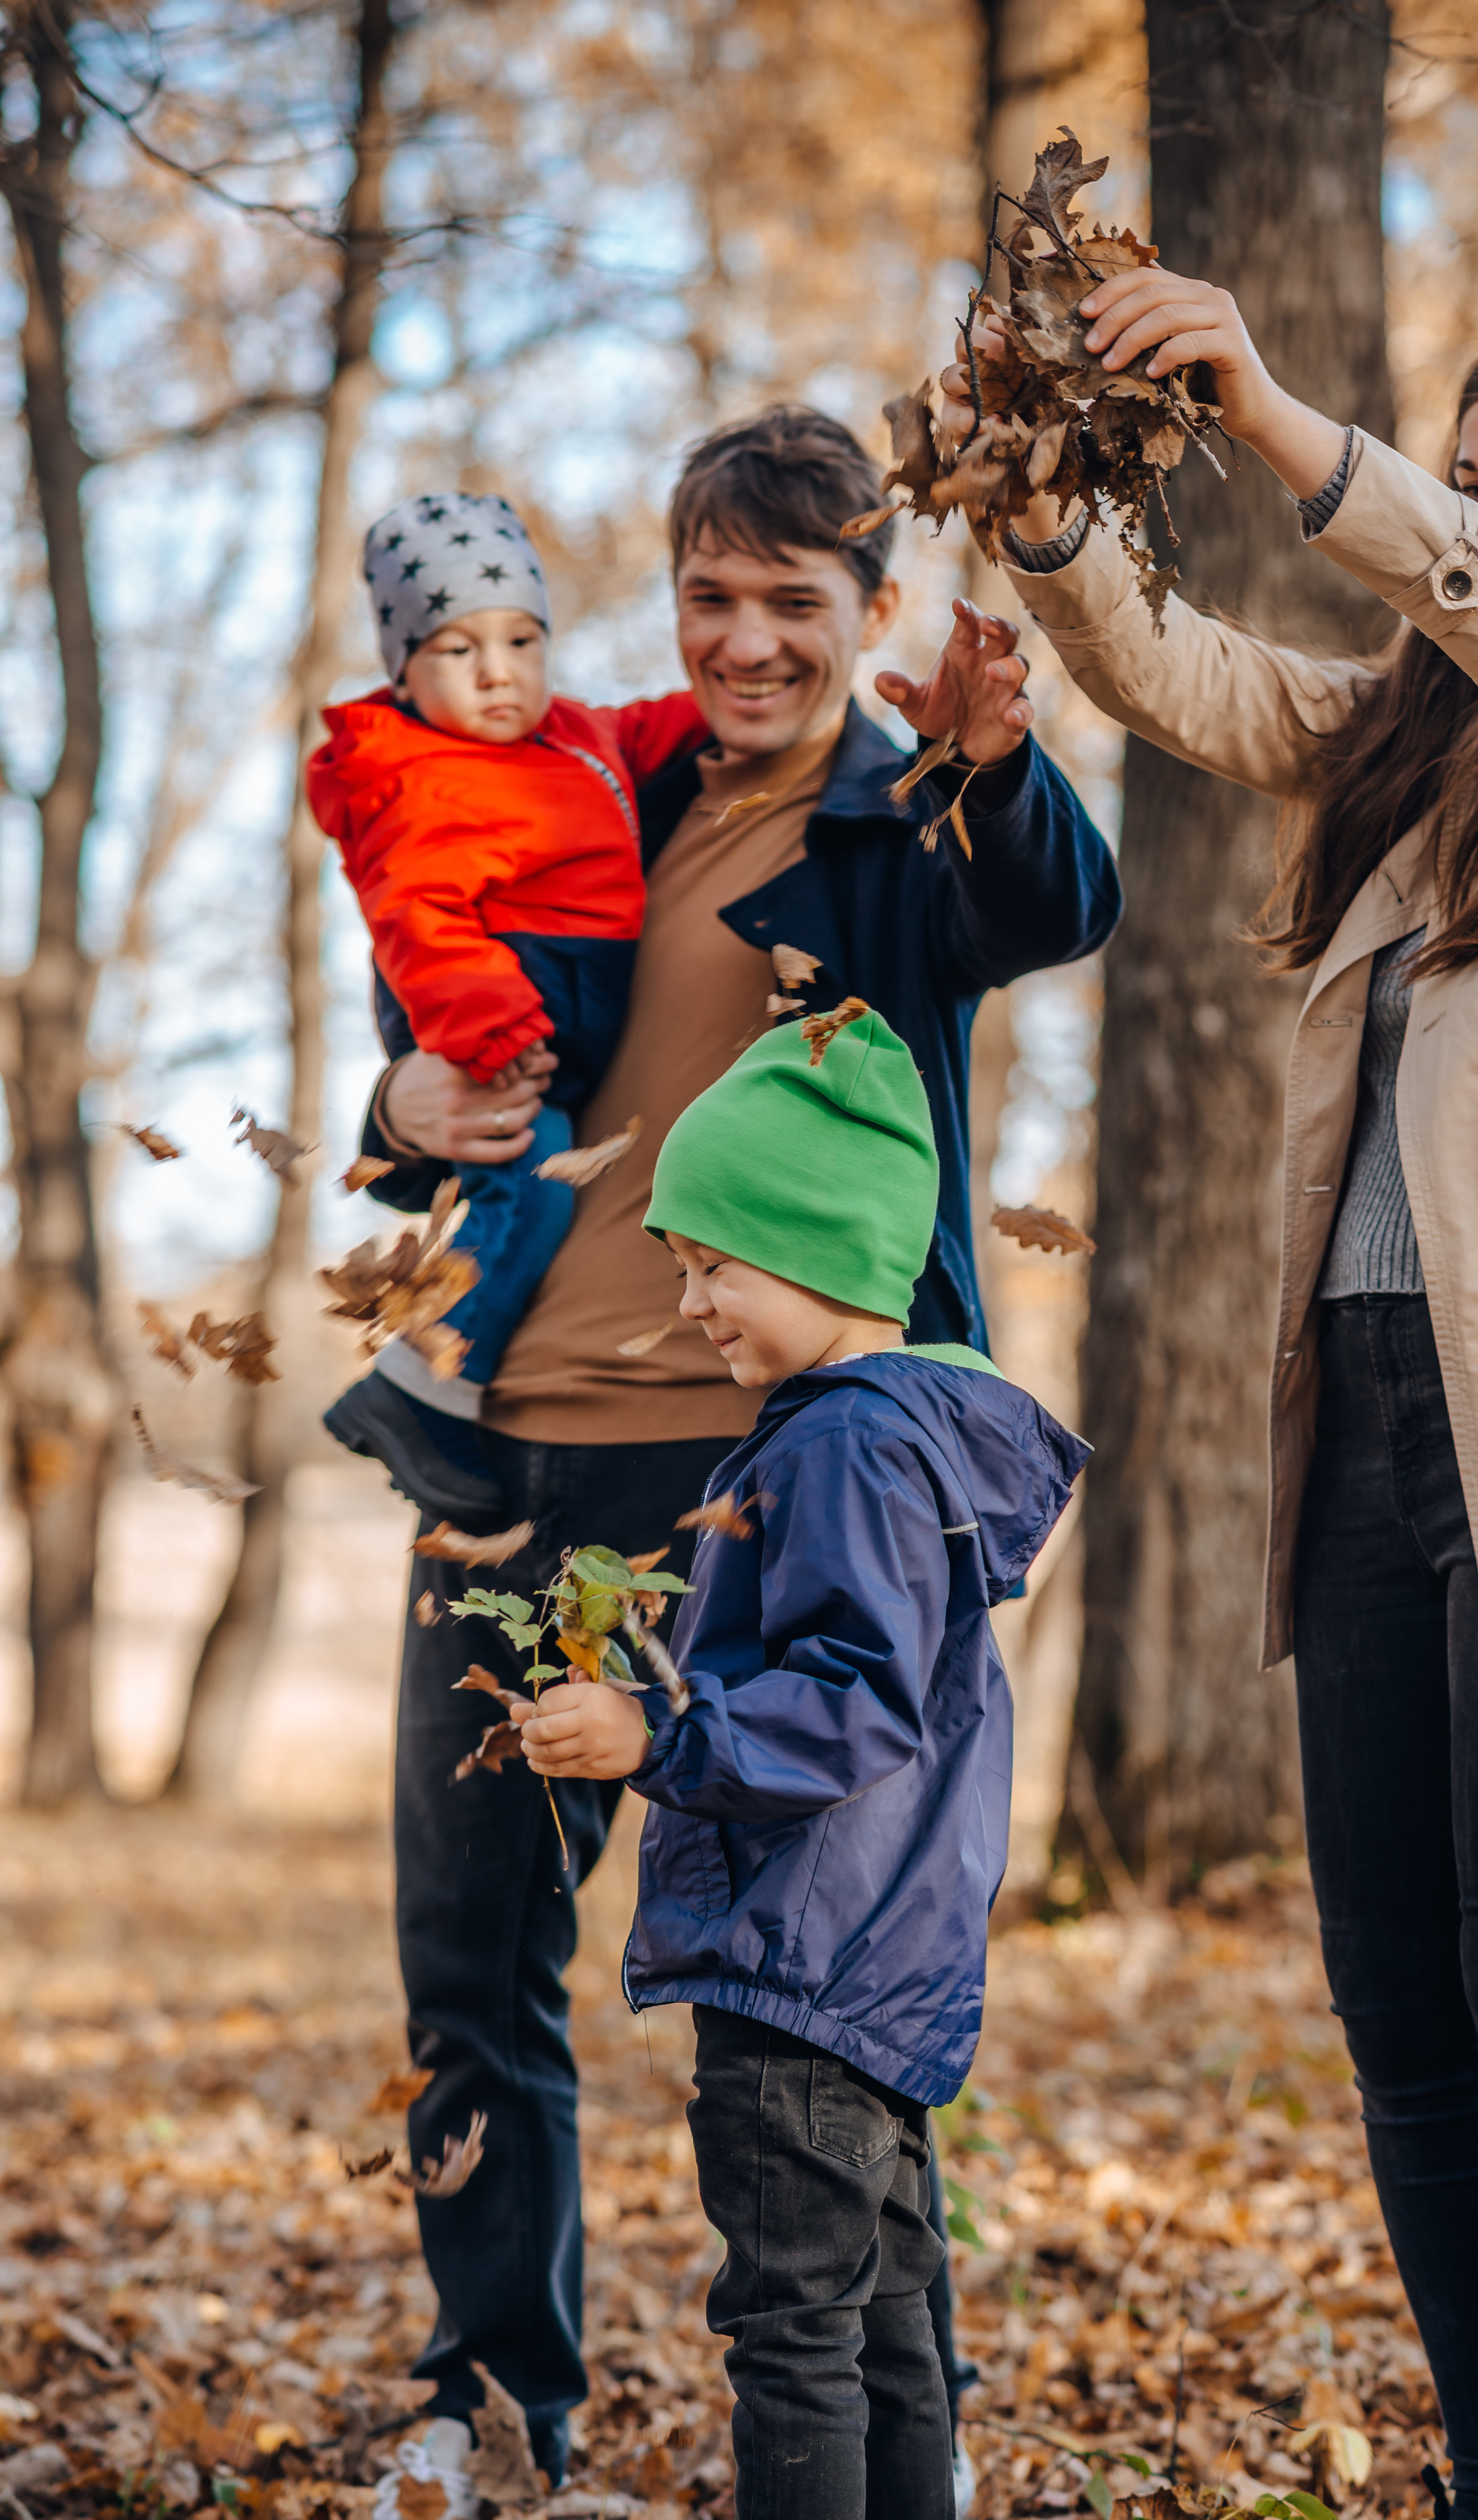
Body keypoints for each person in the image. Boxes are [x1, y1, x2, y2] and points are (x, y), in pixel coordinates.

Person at [958, 277, 1478, 2517]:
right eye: (1473, 486)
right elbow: (1207, 682)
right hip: (1368, 1418)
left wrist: (1296, 433)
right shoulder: (1431, 736)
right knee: (1402, 2014)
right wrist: (1051, 510)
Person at [351, 406, 1122, 2486]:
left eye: (800, 600)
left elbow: (1060, 902)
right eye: (715, 594)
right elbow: (462, 1007)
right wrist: (402, 1110)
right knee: (475, 1957)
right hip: (516, 1455)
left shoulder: (907, 820)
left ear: (869, 611)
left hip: (781, 1485)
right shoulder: (606, 777)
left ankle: (906, 2426)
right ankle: (494, 2395)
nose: (750, 639)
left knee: (818, 1996)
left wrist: (988, 754)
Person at [517, 1006, 1090, 2520]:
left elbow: (850, 1702)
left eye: (716, 1261)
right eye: (682, 1265)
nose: (691, 1301)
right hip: (873, 1955)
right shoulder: (902, 1437)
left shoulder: (839, 1444)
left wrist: (658, 1732)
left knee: (792, 2335)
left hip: (799, 1953)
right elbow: (856, 1675)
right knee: (882, 2318)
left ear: (825, 1248)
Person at [309, 491, 707, 1523]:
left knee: (529, 1190)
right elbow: (417, 920)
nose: (498, 669)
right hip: (488, 1014)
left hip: (552, 1012)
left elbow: (644, 729)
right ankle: (422, 1394)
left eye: (522, 638)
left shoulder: (575, 735)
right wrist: (485, 1033)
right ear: (404, 668)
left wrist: (721, 699)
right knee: (529, 1193)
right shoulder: (411, 776)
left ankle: (431, 1389)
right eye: (456, 648)